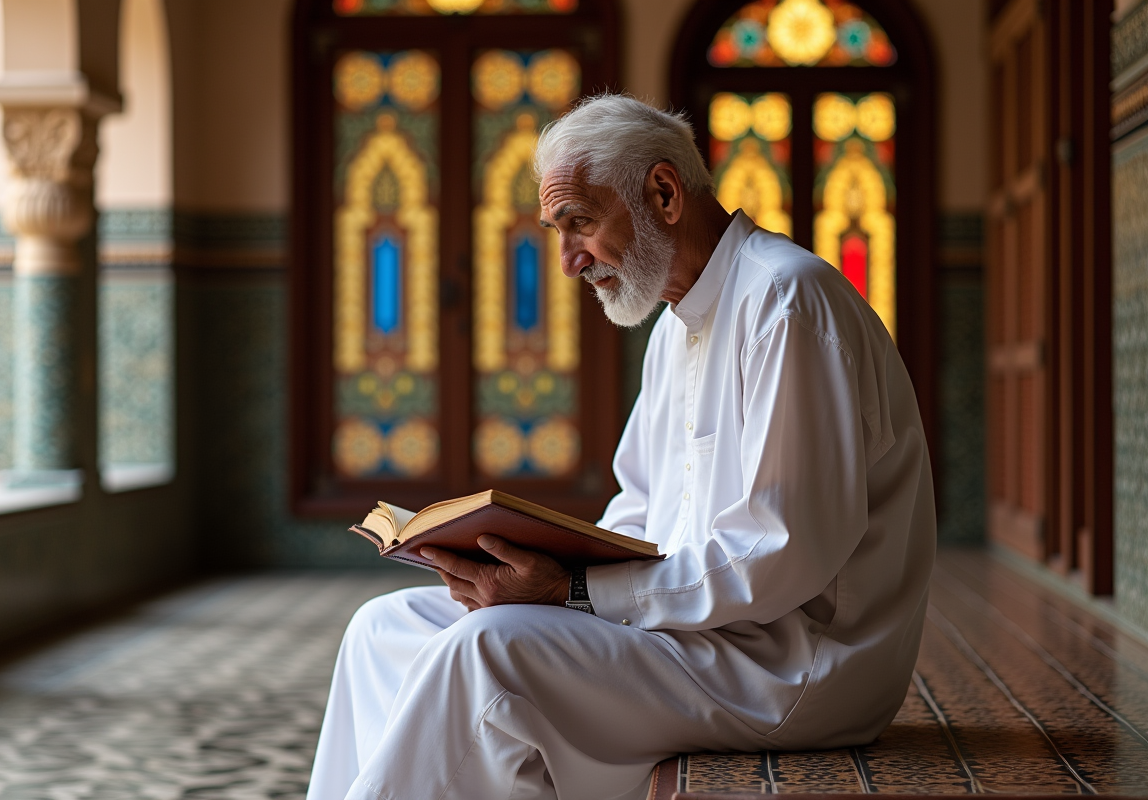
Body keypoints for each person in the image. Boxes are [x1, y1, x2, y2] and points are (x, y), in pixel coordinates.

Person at [306, 94, 936, 800]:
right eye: (556, 230)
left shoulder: (786, 300)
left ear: (663, 193)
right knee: (385, 628)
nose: (570, 262)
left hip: (791, 665)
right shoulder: (675, 325)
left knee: (486, 651)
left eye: (580, 223)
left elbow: (780, 558)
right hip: (697, 633)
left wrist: (574, 593)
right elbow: (638, 511)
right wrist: (542, 571)